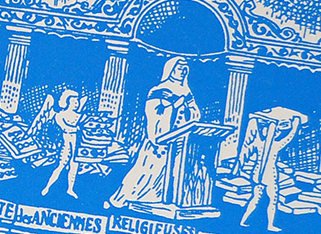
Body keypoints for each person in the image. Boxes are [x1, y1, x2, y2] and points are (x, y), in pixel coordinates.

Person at [107, 56, 215, 214]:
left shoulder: (187, 91)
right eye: (179, 67)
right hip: (161, 144)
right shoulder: (160, 90)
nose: (183, 70)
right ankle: (121, 199)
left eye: (185, 68)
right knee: (146, 173)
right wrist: (175, 106)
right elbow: (155, 112)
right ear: (170, 69)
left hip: (182, 142)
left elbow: (196, 115)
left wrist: (189, 108)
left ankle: (161, 200)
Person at [41, 88, 84, 198]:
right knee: (61, 165)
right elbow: (64, 127)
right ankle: (47, 187)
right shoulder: (60, 115)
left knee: (74, 166)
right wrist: (76, 128)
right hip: (66, 142)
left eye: (77, 102)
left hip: (77, 143)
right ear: (68, 102)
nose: (76, 104)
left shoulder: (79, 116)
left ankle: (70, 189)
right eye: (74, 102)